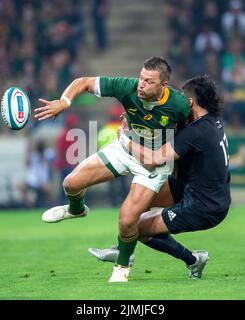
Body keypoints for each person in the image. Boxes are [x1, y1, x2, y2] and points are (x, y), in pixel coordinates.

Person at [34, 57, 191, 282]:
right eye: (141, 78)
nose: (141, 84)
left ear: (163, 86)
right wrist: (64, 102)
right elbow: (83, 82)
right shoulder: (127, 87)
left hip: (152, 165)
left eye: (148, 81)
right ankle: (76, 209)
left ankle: (122, 267)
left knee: (127, 220)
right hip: (124, 148)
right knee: (71, 183)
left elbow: (192, 134)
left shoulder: (179, 105)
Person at [89, 75, 231, 280]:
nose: (178, 103)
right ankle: (123, 250)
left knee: (136, 227)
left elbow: (153, 159)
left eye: (182, 98)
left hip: (205, 205)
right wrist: (133, 117)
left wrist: (125, 140)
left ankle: (192, 259)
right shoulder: (210, 122)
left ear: (190, 102)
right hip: (194, 187)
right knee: (136, 205)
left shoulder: (197, 132)